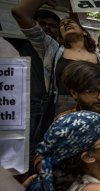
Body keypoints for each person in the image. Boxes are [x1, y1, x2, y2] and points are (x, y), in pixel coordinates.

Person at [12, 0, 100, 116]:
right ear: (60, 36)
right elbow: (19, 13)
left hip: (96, 114)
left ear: (84, 32)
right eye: (62, 25)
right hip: (62, 114)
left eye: (70, 22)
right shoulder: (52, 50)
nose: (65, 24)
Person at [5, 8, 60, 174]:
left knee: (40, 150)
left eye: (52, 25)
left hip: (47, 106)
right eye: (42, 24)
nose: (47, 28)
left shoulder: (56, 49)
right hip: (24, 106)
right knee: (22, 151)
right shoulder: (27, 45)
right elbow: (20, 13)